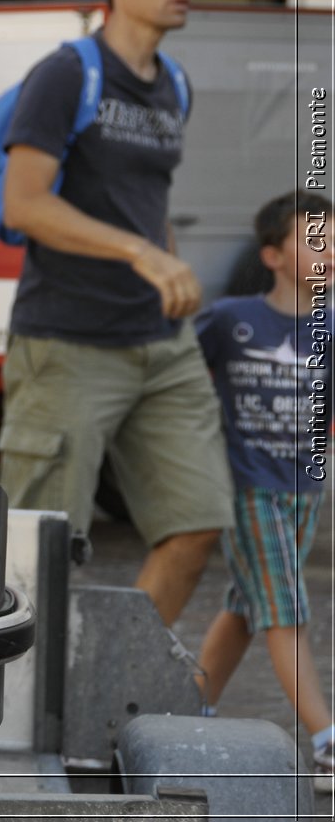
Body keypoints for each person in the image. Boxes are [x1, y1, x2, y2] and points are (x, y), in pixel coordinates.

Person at [0, 0, 231, 626]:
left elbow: (145, 201)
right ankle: (19, 722)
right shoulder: (66, 75)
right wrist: (140, 252)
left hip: (160, 344)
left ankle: (108, 688)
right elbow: (25, 205)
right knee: (38, 555)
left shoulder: (174, 85)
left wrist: (167, 261)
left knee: (195, 528)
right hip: (67, 344)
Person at [194, 190, 333, 789]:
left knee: (249, 607)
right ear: (273, 255)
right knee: (286, 608)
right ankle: (327, 741)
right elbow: (177, 383)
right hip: (248, 486)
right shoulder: (230, 319)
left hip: (306, 489)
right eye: (313, 239)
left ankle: (189, 707)